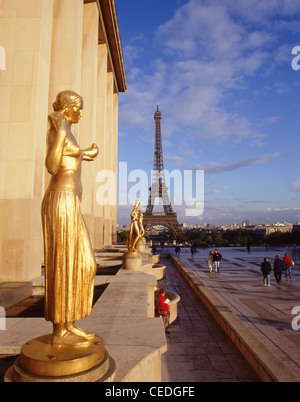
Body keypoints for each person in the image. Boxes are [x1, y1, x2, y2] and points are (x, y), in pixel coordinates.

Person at [42, 91, 99, 347]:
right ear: (67, 108)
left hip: (70, 201)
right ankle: (60, 330)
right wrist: (62, 130)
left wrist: (86, 153)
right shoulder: (58, 126)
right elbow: (53, 165)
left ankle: (68, 323)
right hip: (61, 199)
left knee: (83, 264)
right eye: (79, 107)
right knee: (67, 262)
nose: (82, 112)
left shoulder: (67, 129)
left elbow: (69, 156)